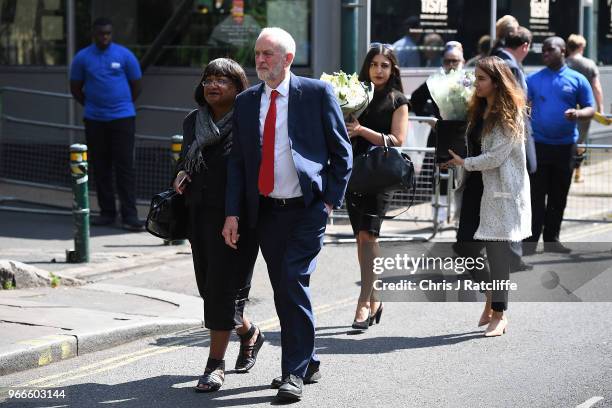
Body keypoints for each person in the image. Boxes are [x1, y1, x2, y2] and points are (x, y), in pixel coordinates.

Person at [222, 27, 352, 402]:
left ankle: (291, 374)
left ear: (288, 59)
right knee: (284, 288)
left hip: (306, 211)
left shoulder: (315, 93)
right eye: (258, 53)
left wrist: (328, 203)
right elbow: (238, 164)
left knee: (293, 281)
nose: (260, 60)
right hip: (265, 212)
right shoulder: (247, 102)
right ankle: (307, 358)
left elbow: (341, 154)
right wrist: (232, 213)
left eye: (268, 54)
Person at [172, 58, 262, 393]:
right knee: (210, 289)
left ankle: (214, 365)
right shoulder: (194, 121)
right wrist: (181, 173)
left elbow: (251, 171)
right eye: (208, 78)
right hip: (199, 216)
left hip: (236, 218)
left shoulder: (248, 120)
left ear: (239, 87)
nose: (213, 84)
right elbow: (185, 160)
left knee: (223, 290)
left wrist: (235, 213)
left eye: (222, 79)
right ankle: (249, 332)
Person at [445, 56, 532, 337]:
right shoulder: (477, 109)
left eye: (481, 78)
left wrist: (464, 163)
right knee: (463, 248)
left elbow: (496, 157)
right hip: (475, 186)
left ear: (497, 82)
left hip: (500, 190)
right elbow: (472, 146)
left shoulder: (511, 114)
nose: (476, 83)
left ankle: (500, 313)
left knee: (497, 255)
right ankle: (492, 296)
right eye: (476, 77)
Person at [345, 44, 409, 331]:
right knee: (361, 238)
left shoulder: (398, 100)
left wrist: (361, 131)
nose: (379, 70)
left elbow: (398, 139)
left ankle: (362, 302)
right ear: (367, 67)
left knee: (368, 236)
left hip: (380, 176)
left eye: (385, 65)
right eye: (374, 64)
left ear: (392, 69)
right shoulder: (355, 96)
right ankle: (376, 298)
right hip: (354, 174)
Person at [70, 17, 144, 231]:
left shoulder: (124, 55)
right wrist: (93, 105)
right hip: (95, 119)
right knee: (100, 167)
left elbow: (137, 85)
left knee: (125, 168)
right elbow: (75, 88)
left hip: (122, 118)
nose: (105, 37)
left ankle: (130, 215)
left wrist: (121, 104)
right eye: (101, 33)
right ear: (94, 34)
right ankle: (107, 213)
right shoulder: (83, 58)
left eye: (108, 33)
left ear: (112, 34)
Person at [523, 37, 595, 254]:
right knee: (536, 195)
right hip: (540, 146)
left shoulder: (577, 79)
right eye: (542, 50)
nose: (545, 53)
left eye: (549, 49)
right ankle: (529, 243)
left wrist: (579, 113)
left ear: (562, 51)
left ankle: (552, 241)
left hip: (566, 147)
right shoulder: (533, 79)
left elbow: (591, 108)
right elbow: (522, 106)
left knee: (558, 195)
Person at [490, 26, 536, 272]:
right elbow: (517, 108)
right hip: (510, 142)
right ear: (525, 46)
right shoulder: (511, 67)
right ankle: (513, 257)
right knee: (514, 198)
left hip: (496, 141)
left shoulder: (493, 59)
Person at [410, 41, 465, 223]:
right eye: (448, 61)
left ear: (462, 61)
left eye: (455, 61)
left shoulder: (469, 80)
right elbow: (416, 100)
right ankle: (440, 215)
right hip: (440, 133)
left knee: (464, 175)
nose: (451, 65)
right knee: (439, 174)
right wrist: (430, 119)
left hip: (463, 134)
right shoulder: (435, 81)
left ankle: (459, 216)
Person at [566, 34, 605, 183]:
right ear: (581, 47)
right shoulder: (589, 64)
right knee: (580, 141)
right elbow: (596, 86)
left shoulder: (562, 63)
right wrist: (600, 108)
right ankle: (578, 172)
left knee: (566, 139)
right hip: (584, 110)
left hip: (566, 110)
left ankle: (566, 169)